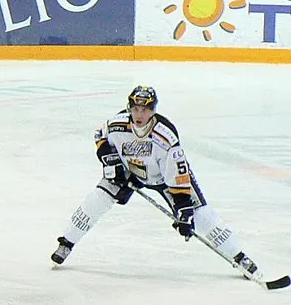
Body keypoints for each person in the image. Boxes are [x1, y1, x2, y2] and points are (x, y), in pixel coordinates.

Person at [50, 86, 264, 281]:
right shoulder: (117, 125)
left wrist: (183, 212)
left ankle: (240, 257)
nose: (139, 115)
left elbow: (178, 180)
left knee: (201, 215)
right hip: (128, 172)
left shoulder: (166, 137)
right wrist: (110, 160)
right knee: (95, 200)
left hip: (164, 178)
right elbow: (100, 136)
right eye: (135, 109)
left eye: (145, 110)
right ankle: (66, 243)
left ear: (153, 110)